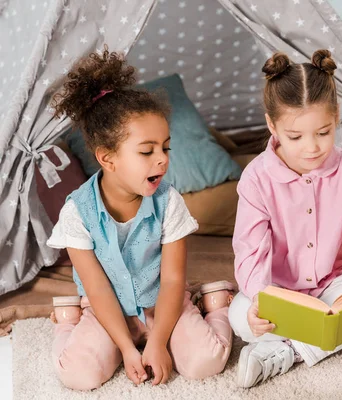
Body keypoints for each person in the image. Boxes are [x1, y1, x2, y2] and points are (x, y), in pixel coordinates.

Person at [228, 49, 342, 389]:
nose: (311, 148)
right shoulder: (256, 179)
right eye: (296, 137)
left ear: (336, 118)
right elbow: (251, 252)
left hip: (337, 282)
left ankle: (285, 352)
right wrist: (259, 300)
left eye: (323, 132)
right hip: (281, 290)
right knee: (239, 316)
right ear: (273, 126)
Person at [47, 48, 231, 390]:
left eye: (166, 148)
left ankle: (215, 305)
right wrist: (127, 349)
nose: (161, 160)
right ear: (107, 158)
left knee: (205, 362)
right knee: (78, 375)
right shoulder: (77, 213)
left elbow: (173, 280)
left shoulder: (169, 202)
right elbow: (98, 287)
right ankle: (65, 322)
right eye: (147, 151)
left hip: (164, 304)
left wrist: (159, 342)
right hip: (105, 311)